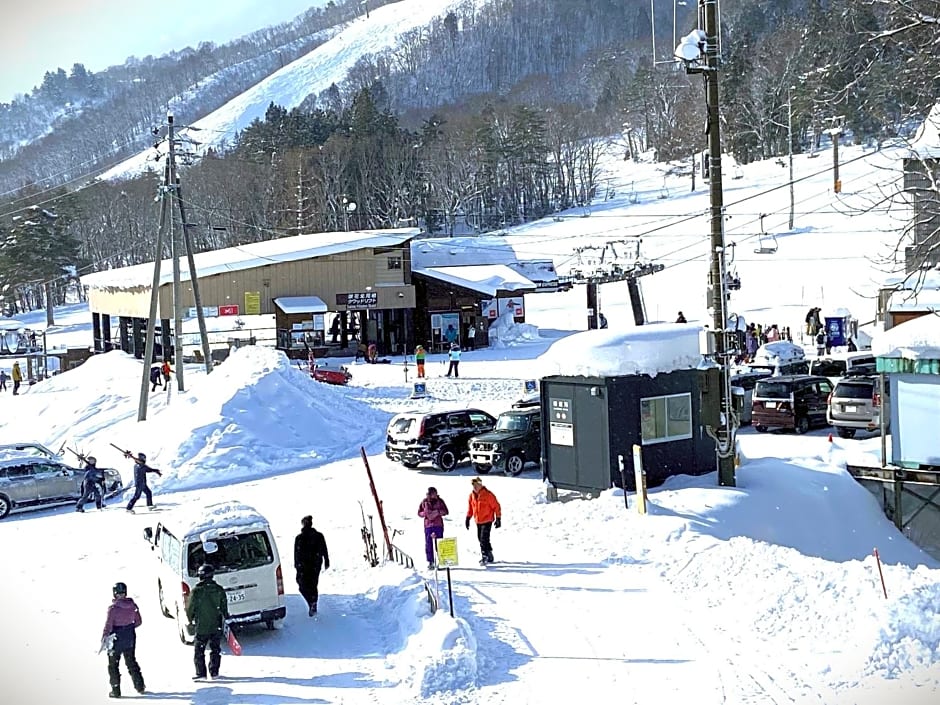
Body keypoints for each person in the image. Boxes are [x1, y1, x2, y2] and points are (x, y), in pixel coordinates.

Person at [101, 581, 146, 698]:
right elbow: (139, 621)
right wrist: (128, 627)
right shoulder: (133, 606)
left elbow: (108, 625)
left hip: (115, 638)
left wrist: (104, 637)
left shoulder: (113, 609)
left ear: (114, 594)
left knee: (113, 665)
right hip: (130, 636)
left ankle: (116, 690)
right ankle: (140, 686)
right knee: (131, 661)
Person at [186, 564, 229, 680]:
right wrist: (225, 617)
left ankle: (201, 673)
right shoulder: (219, 590)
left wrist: (190, 619)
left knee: (199, 650)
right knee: (215, 649)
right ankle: (214, 672)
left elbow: (190, 608)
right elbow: (224, 607)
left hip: (202, 626)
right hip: (216, 625)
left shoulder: (196, 592)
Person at [294, 515, 330, 616]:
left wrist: (297, 565)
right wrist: (326, 560)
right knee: (313, 585)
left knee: (303, 585)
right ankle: (313, 602)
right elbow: (324, 549)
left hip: (305, 565)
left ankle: (311, 602)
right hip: (315, 564)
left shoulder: (300, 538)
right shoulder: (318, 536)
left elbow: (296, 553)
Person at [465, 477, 501, 565]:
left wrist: (498, 518)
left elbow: (496, 506)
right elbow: (470, 508)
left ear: (481, 485)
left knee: (483, 538)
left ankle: (485, 556)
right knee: (480, 538)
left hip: (487, 520)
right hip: (478, 520)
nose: (475, 487)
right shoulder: (471, 496)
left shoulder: (488, 495)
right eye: (473, 485)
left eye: (476, 485)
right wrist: (468, 518)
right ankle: (489, 553)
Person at [418, 487, 449, 569]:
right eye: (433, 493)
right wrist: (425, 513)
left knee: (439, 543)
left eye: (436, 493)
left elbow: (446, 511)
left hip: (438, 525)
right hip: (428, 525)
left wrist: (438, 512)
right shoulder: (424, 502)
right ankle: (430, 562)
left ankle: (441, 561)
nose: (435, 495)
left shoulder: (440, 501)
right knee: (429, 544)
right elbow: (419, 512)